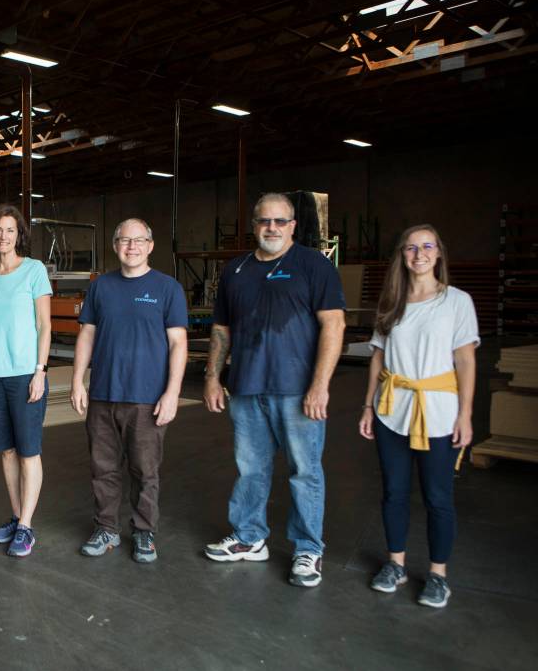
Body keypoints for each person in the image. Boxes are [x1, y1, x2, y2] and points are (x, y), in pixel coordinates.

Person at [203, 192, 345, 587]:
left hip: (297, 390)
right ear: (254, 224)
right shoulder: (236, 271)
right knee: (250, 469)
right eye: (265, 221)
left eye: (280, 221)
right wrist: (213, 377)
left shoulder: (313, 265)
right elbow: (221, 329)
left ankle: (308, 549)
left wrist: (320, 386)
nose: (272, 228)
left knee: (305, 471)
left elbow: (333, 325)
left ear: (293, 226)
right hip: (247, 387)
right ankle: (250, 538)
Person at [357, 224, 477, 608]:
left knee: (438, 497)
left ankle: (438, 575)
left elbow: (465, 360)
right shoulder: (392, 301)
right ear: (402, 255)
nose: (419, 254)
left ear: (439, 253)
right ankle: (396, 564)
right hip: (394, 410)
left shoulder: (457, 302)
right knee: (393, 492)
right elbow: (378, 355)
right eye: (411, 248)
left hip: (439, 412)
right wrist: (367, 405)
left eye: (427, 247)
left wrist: (466, 415)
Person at [71, 218, 188, 563]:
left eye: (139, 240)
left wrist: (172, 393)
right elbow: (87, 335)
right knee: (102, 467)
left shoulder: (168, 288)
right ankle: (107, 528)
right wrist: (78, 380)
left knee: (144, 470)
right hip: (104, 394)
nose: (132, 246)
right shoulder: (101, 287)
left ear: (151, 246)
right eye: (124, 240)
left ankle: (143, 532)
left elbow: (178, 343)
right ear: (115, 246)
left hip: (147, 398)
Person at [0, 205, 52, 557]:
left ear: (19, 235)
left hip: (24, 375)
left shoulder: (34, 270)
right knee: (6, 451)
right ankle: (17, 517)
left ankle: (27, 527)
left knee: (29, 451)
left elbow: (45, 325)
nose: (4, 236)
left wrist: (40, 370)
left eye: (10, 230)